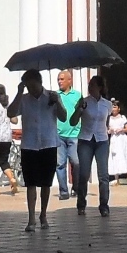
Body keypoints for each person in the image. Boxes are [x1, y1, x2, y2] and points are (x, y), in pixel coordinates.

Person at [7, 69, 66, 231]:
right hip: (29, 145)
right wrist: (19, 93)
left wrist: (58, 102)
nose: (30, 89)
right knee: (31, 183)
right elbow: (10, 112)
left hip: (49, 144)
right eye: (27, 86)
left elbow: (63, 117)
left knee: (46, 183)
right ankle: (31, 218)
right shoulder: (24, 99)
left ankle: (44, 214)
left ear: (40, 83)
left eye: (32, 85)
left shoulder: (52, 96)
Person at [72, 75, 113, 216]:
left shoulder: (107, 104)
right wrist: (80, 110)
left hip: (101, 140)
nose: (90, 87)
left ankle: (104, 205)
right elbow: (73, 121)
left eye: (93, 85)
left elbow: (106, 122)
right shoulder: (83, 101)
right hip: (86, 139)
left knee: (103, 175)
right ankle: (81, 204)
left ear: (100, 87)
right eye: (89, 85)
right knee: (84, 173)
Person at [53, 70, 81, 200]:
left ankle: (76, 187)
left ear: (70, 80)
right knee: (60, 164)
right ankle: (64, 191)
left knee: (75, 162)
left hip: (74, 134)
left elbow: (82, 112)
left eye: (62, 79)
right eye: (58, 79)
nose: (59, 81)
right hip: (59, 135)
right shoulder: (54, 96)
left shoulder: (77, 95)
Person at [107, 100, 127, 183]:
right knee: (115, 156)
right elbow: (107, 130)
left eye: (115, 107)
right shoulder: (109, 118)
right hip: (114, 139)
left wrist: (121, 130)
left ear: (119, 109)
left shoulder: (122, 118)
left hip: (122, 139)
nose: (113, 109)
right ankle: (116, 178)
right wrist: (110, 130)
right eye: (112, 107)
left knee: (126, 154)